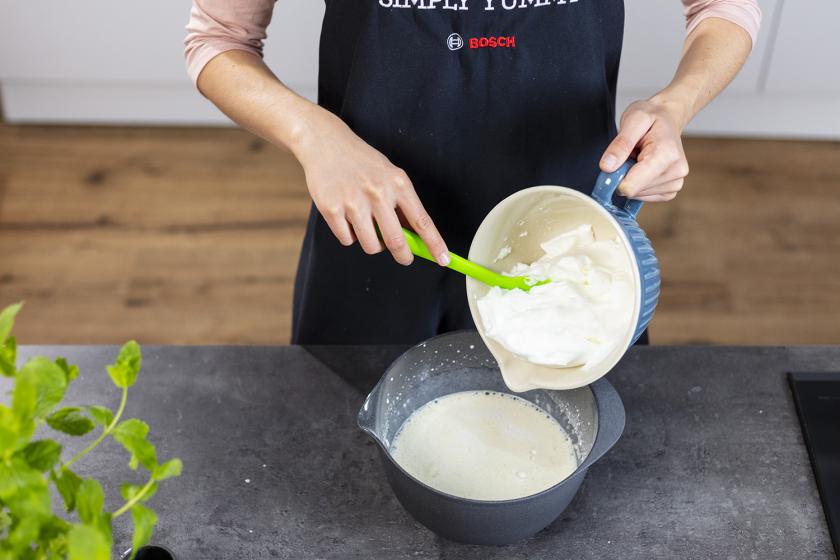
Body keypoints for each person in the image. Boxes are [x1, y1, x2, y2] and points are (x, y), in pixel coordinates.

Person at [185, 0, 760, 345]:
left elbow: (723, 8)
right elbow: (218, 39)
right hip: (378, 227)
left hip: (566, 237)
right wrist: (314, 135)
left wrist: (675, 105)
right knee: (347, 456)